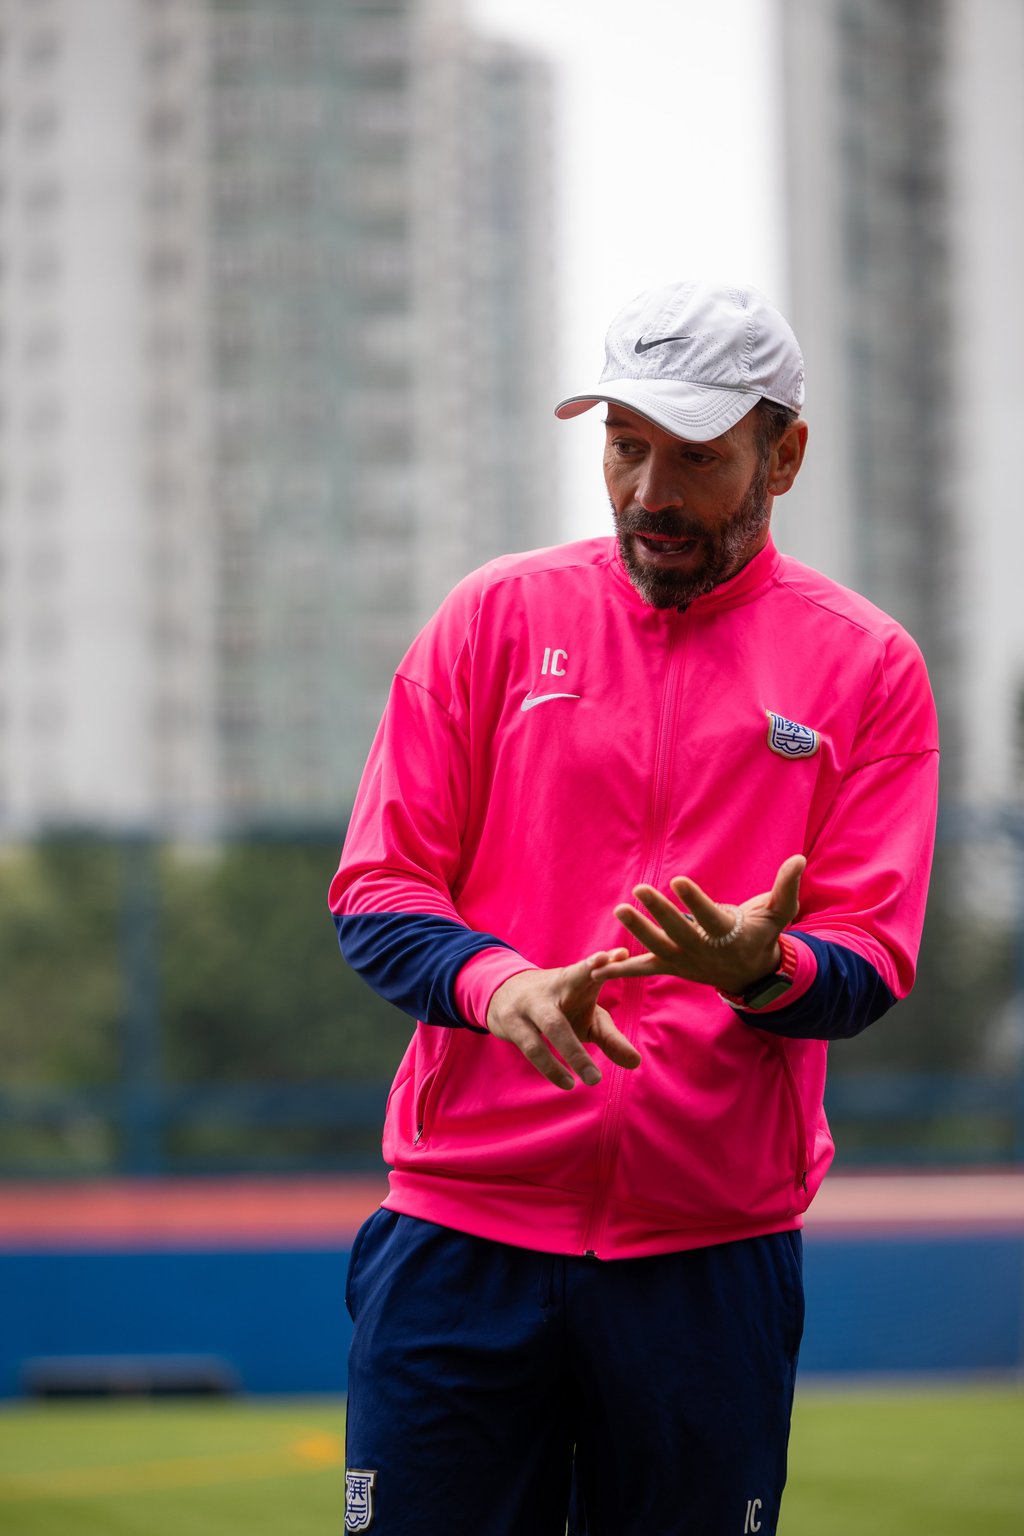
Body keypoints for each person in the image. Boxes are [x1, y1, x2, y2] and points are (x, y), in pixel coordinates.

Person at [328, 279, 938, 1536]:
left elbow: (869, 960)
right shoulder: (492, 619)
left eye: (697, 457)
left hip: (707, 1260)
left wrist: (756, 970)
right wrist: (503, 986)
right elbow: (377, 890)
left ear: (786, 454)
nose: (650, 491)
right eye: (623, 444)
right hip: (460, 1236)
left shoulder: (866, 666)